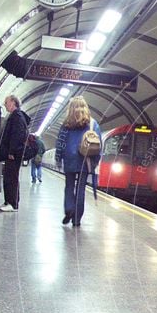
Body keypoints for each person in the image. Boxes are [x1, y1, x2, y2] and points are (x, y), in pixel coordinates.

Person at [55, 96, 101, 227]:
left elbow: (60, 142)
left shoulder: (66, 124)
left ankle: (69, 209)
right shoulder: (92, 124)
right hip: (85, 161)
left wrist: (58, 159)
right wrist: (94, 162)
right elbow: (98, 145)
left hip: (69, 159)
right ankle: (77, 219)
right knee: (81, 189)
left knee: (69, 186)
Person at [0, 94, 30, 212]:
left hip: (14, 153)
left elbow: (17, 136)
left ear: (13, 102)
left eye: (6, 102)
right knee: (8, 176)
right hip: (11, 152)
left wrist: (12, 151)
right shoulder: (14, 116)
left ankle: (13, 204)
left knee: (11, 177)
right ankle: (8, 201)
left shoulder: (17, 117)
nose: (4, 104)